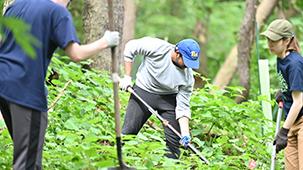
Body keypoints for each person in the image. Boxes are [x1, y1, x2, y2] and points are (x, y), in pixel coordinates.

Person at [0, 0, 120, 169]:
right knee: (28, 164)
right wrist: (106, 41)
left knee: (24, 154)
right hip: (26, 92)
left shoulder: (16, 5)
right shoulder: (57, 12)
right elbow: (76, 54)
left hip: (3, 85)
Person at [119, 37, 200, 159]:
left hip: (168, 99)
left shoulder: (188, 78)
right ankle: (117, 160)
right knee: (128, 133)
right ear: (177, 53)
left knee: (174, 144)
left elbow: (183, 107)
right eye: (186, 61)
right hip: (143, 91)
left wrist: (185, 133)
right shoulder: (158, 48)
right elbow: (130, 47)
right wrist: (127, 77)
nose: (188, 67)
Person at [261, 19, 303, 169]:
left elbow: (298, 102)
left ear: (287, 40)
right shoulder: (281, 59)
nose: (270, 43)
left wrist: (283, 132)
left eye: (274, 40)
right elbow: (293, 88)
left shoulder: (295, 63)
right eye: (268, 39)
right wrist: (284, 93)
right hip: (294, 120)